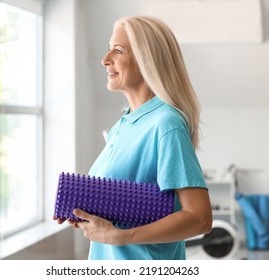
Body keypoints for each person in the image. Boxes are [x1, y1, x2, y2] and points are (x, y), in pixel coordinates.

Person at [55, 15, 212, 260]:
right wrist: (84, 212)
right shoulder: (123, 124)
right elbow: (125, 205)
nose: (105, 60)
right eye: (109, 50)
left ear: (147, 59)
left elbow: (199, 218)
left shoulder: (166, 124)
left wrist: (119, 236)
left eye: (118, 51)